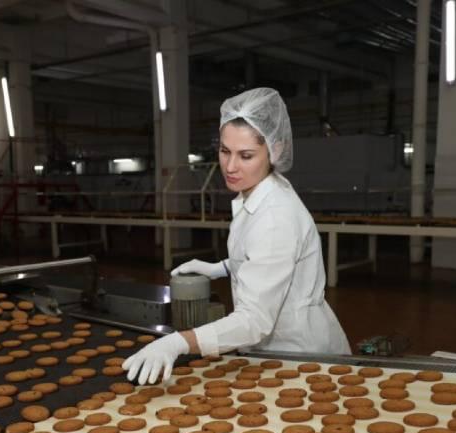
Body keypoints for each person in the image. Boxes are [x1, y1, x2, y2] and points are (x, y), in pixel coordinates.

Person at [123, 87, 350, 385]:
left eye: (246, 156)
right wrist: (222, 267)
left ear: (275, 150)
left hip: (299, 355)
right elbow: (268, 260)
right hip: (276, 349)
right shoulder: (259, 190)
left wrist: (178, 342)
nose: (230, 167)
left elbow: (254, 321)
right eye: (224, 151)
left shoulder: (275, 217)